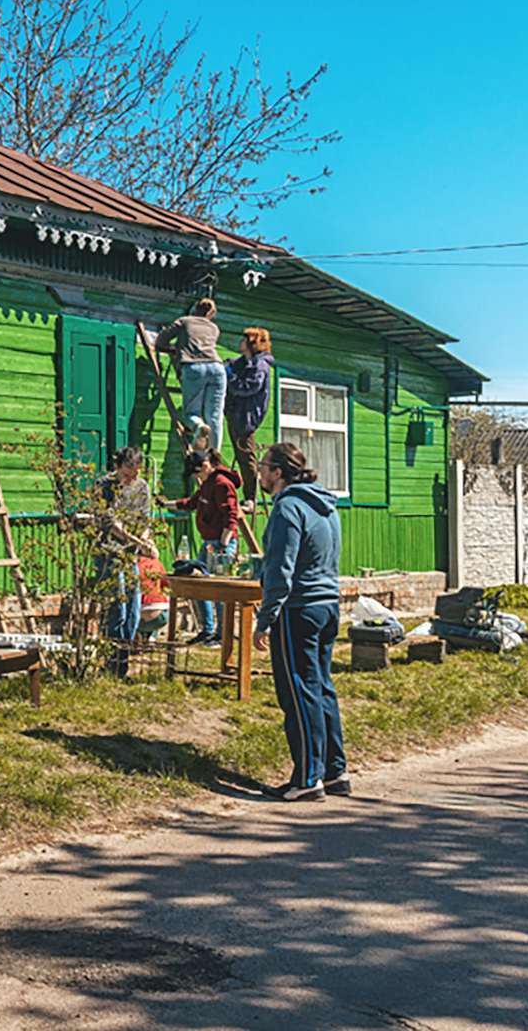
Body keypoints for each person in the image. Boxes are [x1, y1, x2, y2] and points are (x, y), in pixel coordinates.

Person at [254, 441, 348, 801]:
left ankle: (307, 778)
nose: (260, 472)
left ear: (278, 472)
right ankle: (334, 770)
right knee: (321, 686)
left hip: (298, 609)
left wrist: (266, 618)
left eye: (264, 466)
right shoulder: (325, 506)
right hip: (327, 604)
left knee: (297, 692)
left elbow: (280, 568)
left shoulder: (288, 508)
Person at [159, 450, 243, 646]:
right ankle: (207, 630)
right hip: (209, 543)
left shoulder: (222, 483)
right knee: (199, 587)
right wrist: (167, 504)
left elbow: (231, 516)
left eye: (197, 473)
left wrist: (223, 544)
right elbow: (191, 503)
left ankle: (223, 634)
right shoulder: (207, 484)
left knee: (220, 591)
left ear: (206, 466)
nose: (197, 477)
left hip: (221, 544)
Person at [98, 447, 158, 676]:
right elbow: (112, 524)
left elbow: (145, 520)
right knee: (117, 607)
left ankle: (123, 661)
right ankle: (112, 662)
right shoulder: (105, 485)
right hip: (110, 551)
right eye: (127, 470)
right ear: (119, 466)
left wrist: (145, 541)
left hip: (131, 553)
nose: (131, 475)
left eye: (136, 470)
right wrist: (137, 541)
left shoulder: (141, 487)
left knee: (133, 607)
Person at [156, 298, 225, 453]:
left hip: (194, 367)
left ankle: (198, 426)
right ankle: (215, 454)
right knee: (214, 415)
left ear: (194, 309)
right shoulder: (214, 328)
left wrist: (170, 349)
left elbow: (161, 340)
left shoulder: (184, 321)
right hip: (217, 367)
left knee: (191, 413)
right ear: (211, 314)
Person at [225, 327, 274, 505]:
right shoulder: (247, 361)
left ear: (251, 344)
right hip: (237, 413)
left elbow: (248, 387)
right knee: (242, 455)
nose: (240, 343)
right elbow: (235, 365)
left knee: (247, 458)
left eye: (244, 340)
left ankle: (250, 498)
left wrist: (230, 377)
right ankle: (247, 494)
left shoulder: (260, 365)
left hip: (246, 417)